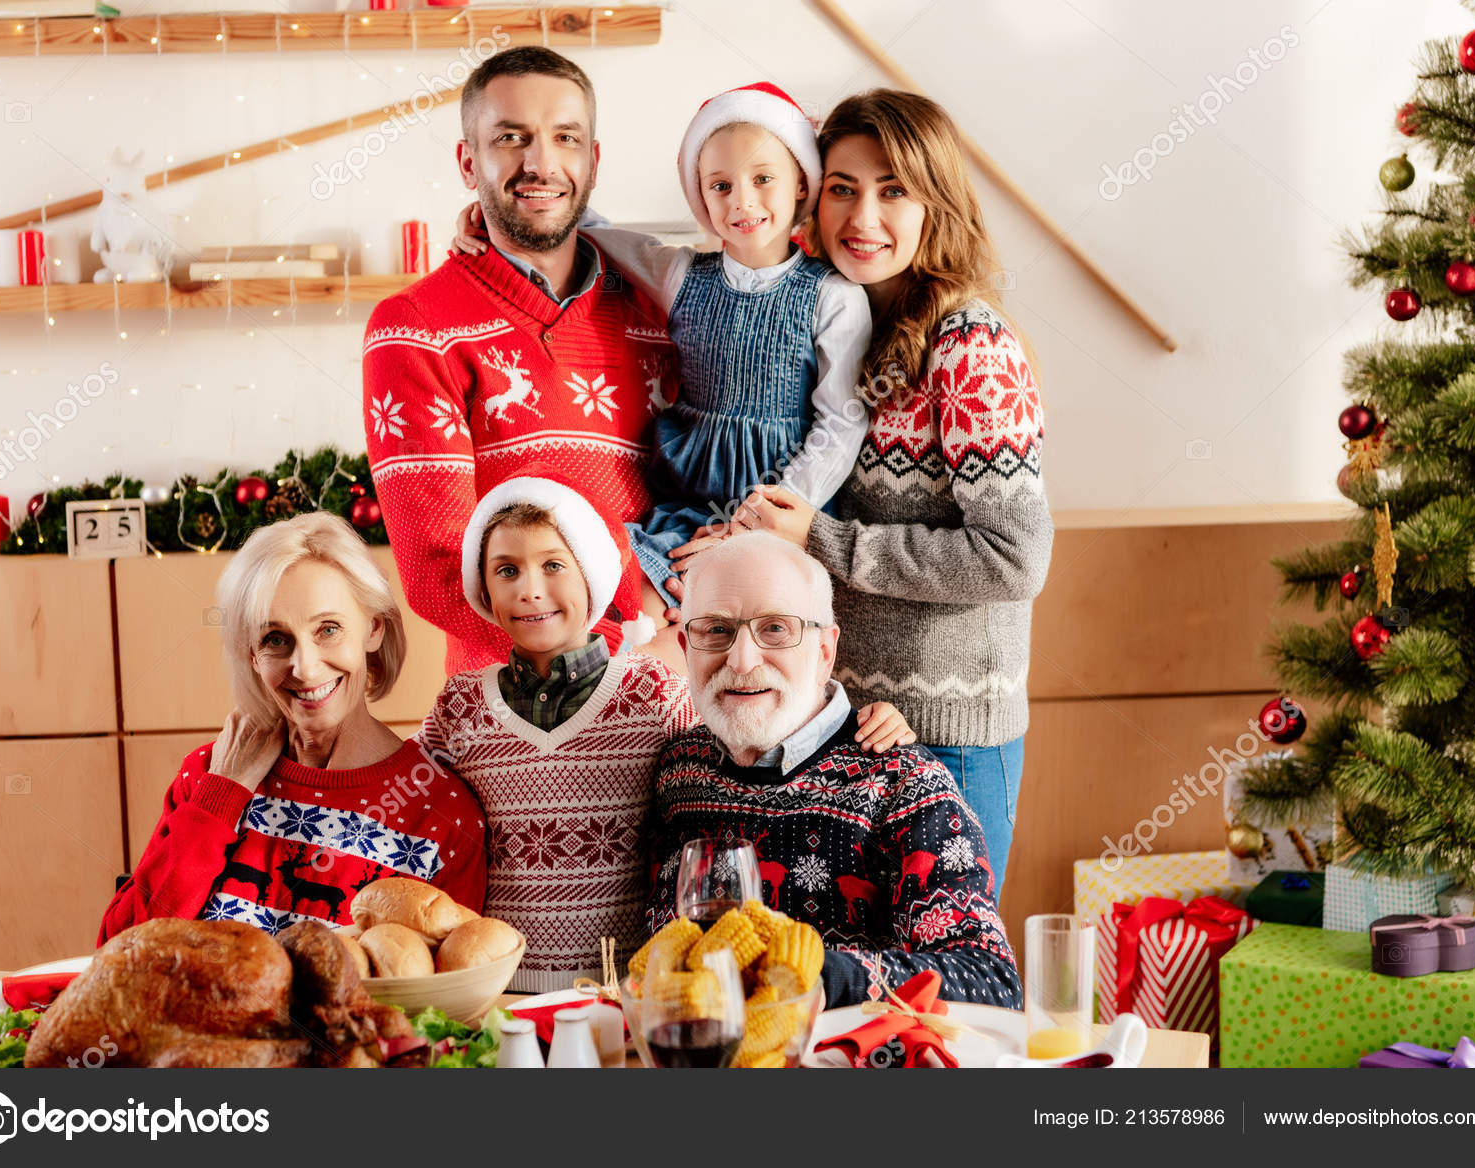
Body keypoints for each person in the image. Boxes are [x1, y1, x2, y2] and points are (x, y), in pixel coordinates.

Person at [716, 90, 1053, 898]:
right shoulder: (838, 325)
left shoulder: (969, 346)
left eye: (893, 190)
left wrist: (824, 541)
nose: (862, 216)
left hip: (948, 738)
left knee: (947, 962)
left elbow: (1014, 559)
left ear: (936, 204)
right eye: (843, 188)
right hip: (841, 727)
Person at [417, 471, 916, 992]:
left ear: (591, 574)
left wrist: (855, 721)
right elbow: (410, 794)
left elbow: (748, 730)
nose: (530, 590)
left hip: (628, 990)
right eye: (506, 571)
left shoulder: (651, 693)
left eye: (553, 566)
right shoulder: (460, 705)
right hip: (499, 987)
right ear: (483, 589)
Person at [452, 83, 872, 669]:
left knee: (745, 622)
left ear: (802, 184)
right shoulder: (681, 275)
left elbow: (842, 423)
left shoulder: (834, 296)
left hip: (779, 503)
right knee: (639, 598)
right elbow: (595, 229)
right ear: (700, 195)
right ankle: (611, 699)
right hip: (688, 502)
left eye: (763, 179)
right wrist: (496, 212)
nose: (742, 201)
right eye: (720, 186)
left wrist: (764, 520)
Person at [364, 46, 676, 676]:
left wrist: (699, 631)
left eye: (566, 138)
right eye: (511, 138)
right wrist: (625, 656)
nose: (541, 164)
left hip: (686, 686)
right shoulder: (415, 327)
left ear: (593, 160)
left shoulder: (661, 306)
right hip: (521, 713)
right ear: (468, 161)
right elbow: (440, 568)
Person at [647, 530, 1021, 1010]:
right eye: (716, 630)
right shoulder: (678, 770)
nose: (740, 661)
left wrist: (820, 980)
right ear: (685, 646)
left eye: (775, 628)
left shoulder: (904, 782)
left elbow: (990, 981)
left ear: (825, 651)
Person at [99, 513, 487, 943]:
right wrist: (223, 795)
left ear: (374, 629)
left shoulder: (441, 813)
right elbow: (120, 949)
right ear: (251, 653)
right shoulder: (208, 775)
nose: (304, 667)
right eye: (275, 639)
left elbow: (451, 981)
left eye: (328, 630)